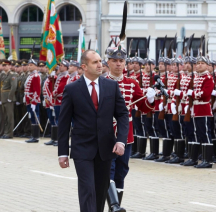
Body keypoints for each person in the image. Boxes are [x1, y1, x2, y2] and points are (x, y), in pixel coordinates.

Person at [57, 50, 129, 212]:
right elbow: (64, 123)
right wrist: (62, 152)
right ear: (84, 66)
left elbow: (123, 115)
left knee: (100, 192)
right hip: (82, 149)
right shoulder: (72, 89)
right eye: (95, 62)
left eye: (100, 61)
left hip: (105, 148)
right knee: (87, 189)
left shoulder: (111, 86)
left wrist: (121, 140)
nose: (100, 65)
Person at [105, 46, 155, 211]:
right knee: (108, 169)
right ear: (108, 62)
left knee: (121, 170)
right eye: (114, 61)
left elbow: (144, 107)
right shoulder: (101, 82)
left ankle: (116, 204)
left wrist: (151, 98)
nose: (118, 64)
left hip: (125, 135)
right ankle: (113, 206)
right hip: (106, 133)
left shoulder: (132, 84)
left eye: (121, 61)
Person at [24, 59, 42, 143]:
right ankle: (33, 136)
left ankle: (36, 137)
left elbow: (37, 90)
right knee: (32, 117)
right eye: (29, 65)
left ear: (35, 66)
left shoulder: (36, 76)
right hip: (29, 100)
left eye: (31, 65)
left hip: (33, 100)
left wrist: (34, 102)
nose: (29, 66)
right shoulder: (30, 75)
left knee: (35, 117)